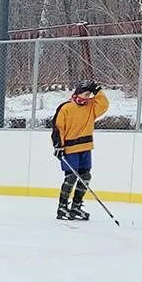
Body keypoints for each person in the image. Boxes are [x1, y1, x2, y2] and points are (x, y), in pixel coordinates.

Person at [51, 81, 110, 221]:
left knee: (85, 176)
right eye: (85, 94)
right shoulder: (66, 108)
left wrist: (97, 91)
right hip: (70, 148)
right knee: (71, 177)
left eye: (89, 94)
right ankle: (62, 207)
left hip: (86, 147)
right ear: (77, 93)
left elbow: (104, 104)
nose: (87, 97)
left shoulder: (91, 106)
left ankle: (76, 206)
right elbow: (58, 128)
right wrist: (58, 146)